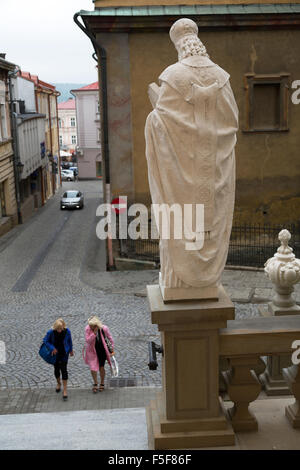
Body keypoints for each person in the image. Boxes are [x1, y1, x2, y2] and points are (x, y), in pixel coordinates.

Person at [145, 18, 238, 300]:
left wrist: (155, 111)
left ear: (179, 48)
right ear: (199, 44)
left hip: (183, 178)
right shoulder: (222, 77)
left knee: (181, 219)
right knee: (207, 220)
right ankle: (204, 278)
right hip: (213, 174)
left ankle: (178, 278)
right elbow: (230, 124)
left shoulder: (172, 76)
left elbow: (163, 124)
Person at [43, 318, 74, 400]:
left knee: (64, 370)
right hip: (55, 354)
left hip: (64, 353)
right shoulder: (51, 332)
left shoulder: (67, 331)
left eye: (60, 329)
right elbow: (45, 340)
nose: (59, 331)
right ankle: (58, 383)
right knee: (56, 369)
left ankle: (65, 390)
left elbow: (70, 341)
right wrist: (52, 348)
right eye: (58, 329)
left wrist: (71, 350)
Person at [83, 316, 114, 393]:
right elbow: (88, 341)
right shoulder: (88, 329)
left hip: (102, 351)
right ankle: (95, 383)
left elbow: (110, 338)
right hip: (92, 351)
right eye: (90, 325)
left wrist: (112, 349)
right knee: (93, 368)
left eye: (92, 326)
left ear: (96, 325)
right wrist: (94, 333)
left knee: (101, 367)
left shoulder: (104, 328)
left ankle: (102, 382)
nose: (90, 327)